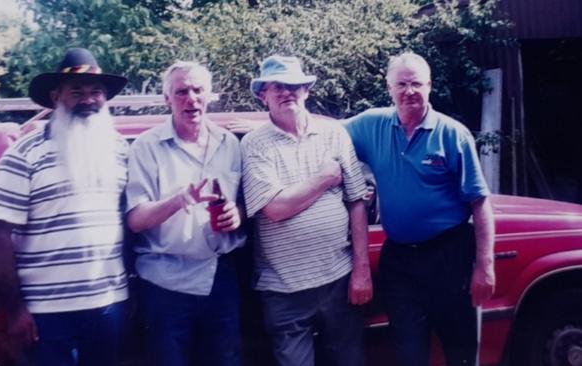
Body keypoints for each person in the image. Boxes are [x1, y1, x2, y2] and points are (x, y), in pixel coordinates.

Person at [344, 52, 495, 366]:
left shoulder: (452, 134)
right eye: (401, 84)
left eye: (416, 83)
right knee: (408, 351)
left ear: (430, 86)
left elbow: (480, 203)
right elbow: (323, 137)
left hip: (449, 255)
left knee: (460, 349)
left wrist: (485, 266)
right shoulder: (371, 125)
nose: (408, 91)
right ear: (389, 87)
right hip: (399, 259)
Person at [0, 48, 130, 366]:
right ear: (56, 96)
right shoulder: (22, 155)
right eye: (76, 91)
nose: (88, 100)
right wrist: (16, 310)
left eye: (96, 91)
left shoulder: (119, 150)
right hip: (46, 311)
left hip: (109, 303)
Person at [241, 55, 373, 366]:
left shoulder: (334, 134)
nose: (287, 92)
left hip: (339, 280)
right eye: (277, 87)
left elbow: (356, 201)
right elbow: (275, 208)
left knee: (349, 361)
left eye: (294, 86)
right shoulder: (254, 144)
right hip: (283, 288)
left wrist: (362, 270)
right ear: (263, 95)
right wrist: (325, 178)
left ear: (306, 91)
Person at [125, 61, 246, 366]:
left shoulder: (230, 143)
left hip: (219, 278)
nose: (191, 98)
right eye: (181, 92)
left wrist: (237, 215)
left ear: (210, 95)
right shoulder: (146, 147)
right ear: (167, 99)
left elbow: (246, 204)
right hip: (165, 284)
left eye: (197, 90)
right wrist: (178, 200)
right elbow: (136, 219)